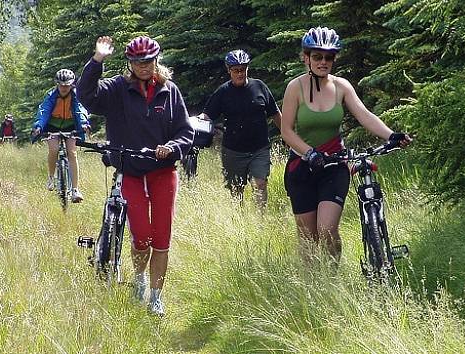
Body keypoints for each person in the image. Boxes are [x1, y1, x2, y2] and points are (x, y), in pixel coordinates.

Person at [77, 35, 194, 316]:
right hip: (130, 171)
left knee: (161, 237)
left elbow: (185, 132)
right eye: (138, 61)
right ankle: (139, 278)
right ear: (130, 63)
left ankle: (156, 296)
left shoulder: (170, 91)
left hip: (163, 173)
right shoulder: (117, 88)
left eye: (149, 60)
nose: (144, 65)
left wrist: (171, 147)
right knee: (141, 235)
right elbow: (86, 96)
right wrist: (97, 60)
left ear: (157, 60)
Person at [281, 26, 411, 263]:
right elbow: (286, 131)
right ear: (306, 58)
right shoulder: (295, 88)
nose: (323, 62)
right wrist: (309, 153)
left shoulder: (341, 86)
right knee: (308, 239)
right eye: (318, 56)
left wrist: (391, 135)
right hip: (301, 166)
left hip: (334, 165)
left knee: (327, 229)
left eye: (329, 57)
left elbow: (365, 115)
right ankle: (310, 290)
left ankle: (332, 276)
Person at [199, 49, 282, 209]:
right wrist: (193, 127)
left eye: (243, 69)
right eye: (236, 70)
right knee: (236, 189)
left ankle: (260, 221)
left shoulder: (259, 86)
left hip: (260, 148)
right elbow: (207, 115)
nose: (240, 73)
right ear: (228, 70)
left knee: (260, 183)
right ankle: (239, 221)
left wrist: (288, 135)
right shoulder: (223, 92)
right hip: (233, 150)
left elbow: (275, 114)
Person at [31, 69, 90, 203]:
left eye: (67, 85)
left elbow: (80, 109)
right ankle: (51, 178)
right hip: (53, 126)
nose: (64, 88)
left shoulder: (75, 95)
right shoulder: (52, 95)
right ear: (57, 84)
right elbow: (44, 111)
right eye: (61, 85)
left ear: (71, 84)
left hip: (71, 126)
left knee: (72, 153)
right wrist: (39, 126)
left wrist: (84, 123)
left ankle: (75, 189)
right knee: (54, 150)